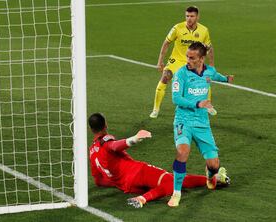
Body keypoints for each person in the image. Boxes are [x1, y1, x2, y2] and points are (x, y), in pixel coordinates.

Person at [88, 112, 229, 208]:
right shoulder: (106, 142)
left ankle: (213, 178)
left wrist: (116, 181)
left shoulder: (91, 152)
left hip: (127, 186)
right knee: (170, 181)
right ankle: (143, 198)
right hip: (138, 171)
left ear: (91, 129)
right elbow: (113, 146)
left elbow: (98, 181)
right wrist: (134, 139)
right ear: (105, 125)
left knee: (173, 179)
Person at [168, 42, 233, 207]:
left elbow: (214, 75)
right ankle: (176, 192)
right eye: (187, 56)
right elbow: (176, 99)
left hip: (202, 123)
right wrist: (198, 104)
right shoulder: (181, 74)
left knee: (214, 164)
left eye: (192, 57)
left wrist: (226, 79)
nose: (188, 60)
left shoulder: (208, 72)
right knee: (182, 152)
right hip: (184, 120)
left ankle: (211, 174)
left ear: (201, 58)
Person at [150, 6, 215, 118]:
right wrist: (160, 61)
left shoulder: (204, 30)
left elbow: (209, 48)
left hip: (194, 61)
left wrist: (212, 66)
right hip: (177, 59)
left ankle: (208, 105)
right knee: (165, 77)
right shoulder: (177, 28)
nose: (189, 18)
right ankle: (156, 109)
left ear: (197, 17)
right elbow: (166, 43)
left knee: (205, 80)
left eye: (192, 16)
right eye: (187, 16)